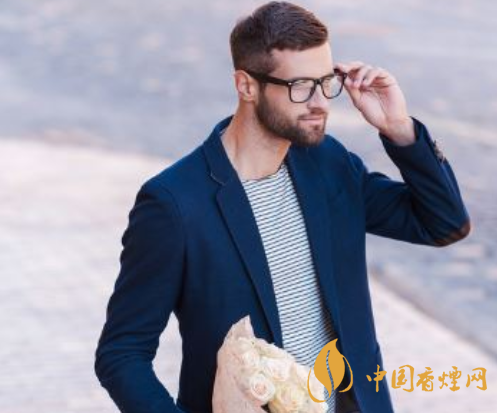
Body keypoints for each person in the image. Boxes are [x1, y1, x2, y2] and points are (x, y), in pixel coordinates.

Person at [94, 2, 471, 413]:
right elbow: (122, 353)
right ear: (246, 86)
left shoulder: (328, 164)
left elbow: (443, 223)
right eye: (301, 86)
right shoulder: (175, 204)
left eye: (326, 82)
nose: (320, 102)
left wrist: (399, 129)